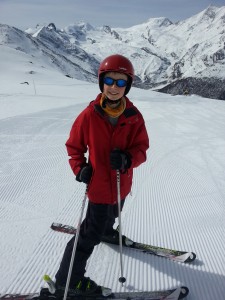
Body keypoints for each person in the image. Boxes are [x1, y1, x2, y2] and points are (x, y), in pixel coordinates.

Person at [55, 54, 149, 297]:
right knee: (88, 236)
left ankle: (108, 230)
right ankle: (68, 281)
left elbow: (141, 148)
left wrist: (128, 159)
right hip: (97, 188)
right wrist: (80, 168)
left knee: (115, 212)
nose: (114, 87)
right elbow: (74, 147)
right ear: (101, 82)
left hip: (121, 184)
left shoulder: (134, 116)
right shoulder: (89, 115)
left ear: (127, 85)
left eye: (120, 82)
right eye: (109, 81)